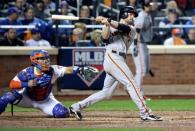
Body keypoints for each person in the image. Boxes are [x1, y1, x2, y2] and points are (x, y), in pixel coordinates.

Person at [70, 6, 162, 121]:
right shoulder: (111, 25)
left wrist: (107, 20)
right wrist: (106, 25)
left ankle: (77, 106)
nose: (133, 16)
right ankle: (145, 112)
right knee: (131, 83)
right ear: (123, 14)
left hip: (119, 59)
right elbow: (104, 38)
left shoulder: (131, 28)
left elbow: (122, 27)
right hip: (112, 57)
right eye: (130, 14)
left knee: (106, 93)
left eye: (134, 14)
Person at [0, 49, 84, 118]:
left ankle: (69, 111)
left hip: (45, 101)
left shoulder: (53, 70)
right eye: (43, 58)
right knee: (7, 97)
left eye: (47, 58)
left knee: (62, 113)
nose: (46, 61)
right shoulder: (27, 72)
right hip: (27, 99)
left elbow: (68, 69)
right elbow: (12, 84)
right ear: (34, 60)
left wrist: (80, 70)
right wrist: (26, 84)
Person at [130, 0, 154, 99]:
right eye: (148, 5)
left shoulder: (147, 15)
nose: (150, 7)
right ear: (144, 6)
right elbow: (137, 30)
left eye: (150, 5)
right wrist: (135, 45)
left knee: (144, 70)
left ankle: (132, 89)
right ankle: (137, 93)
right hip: (138, 44)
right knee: (141, 71)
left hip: (143, 44)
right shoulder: (142, 15)